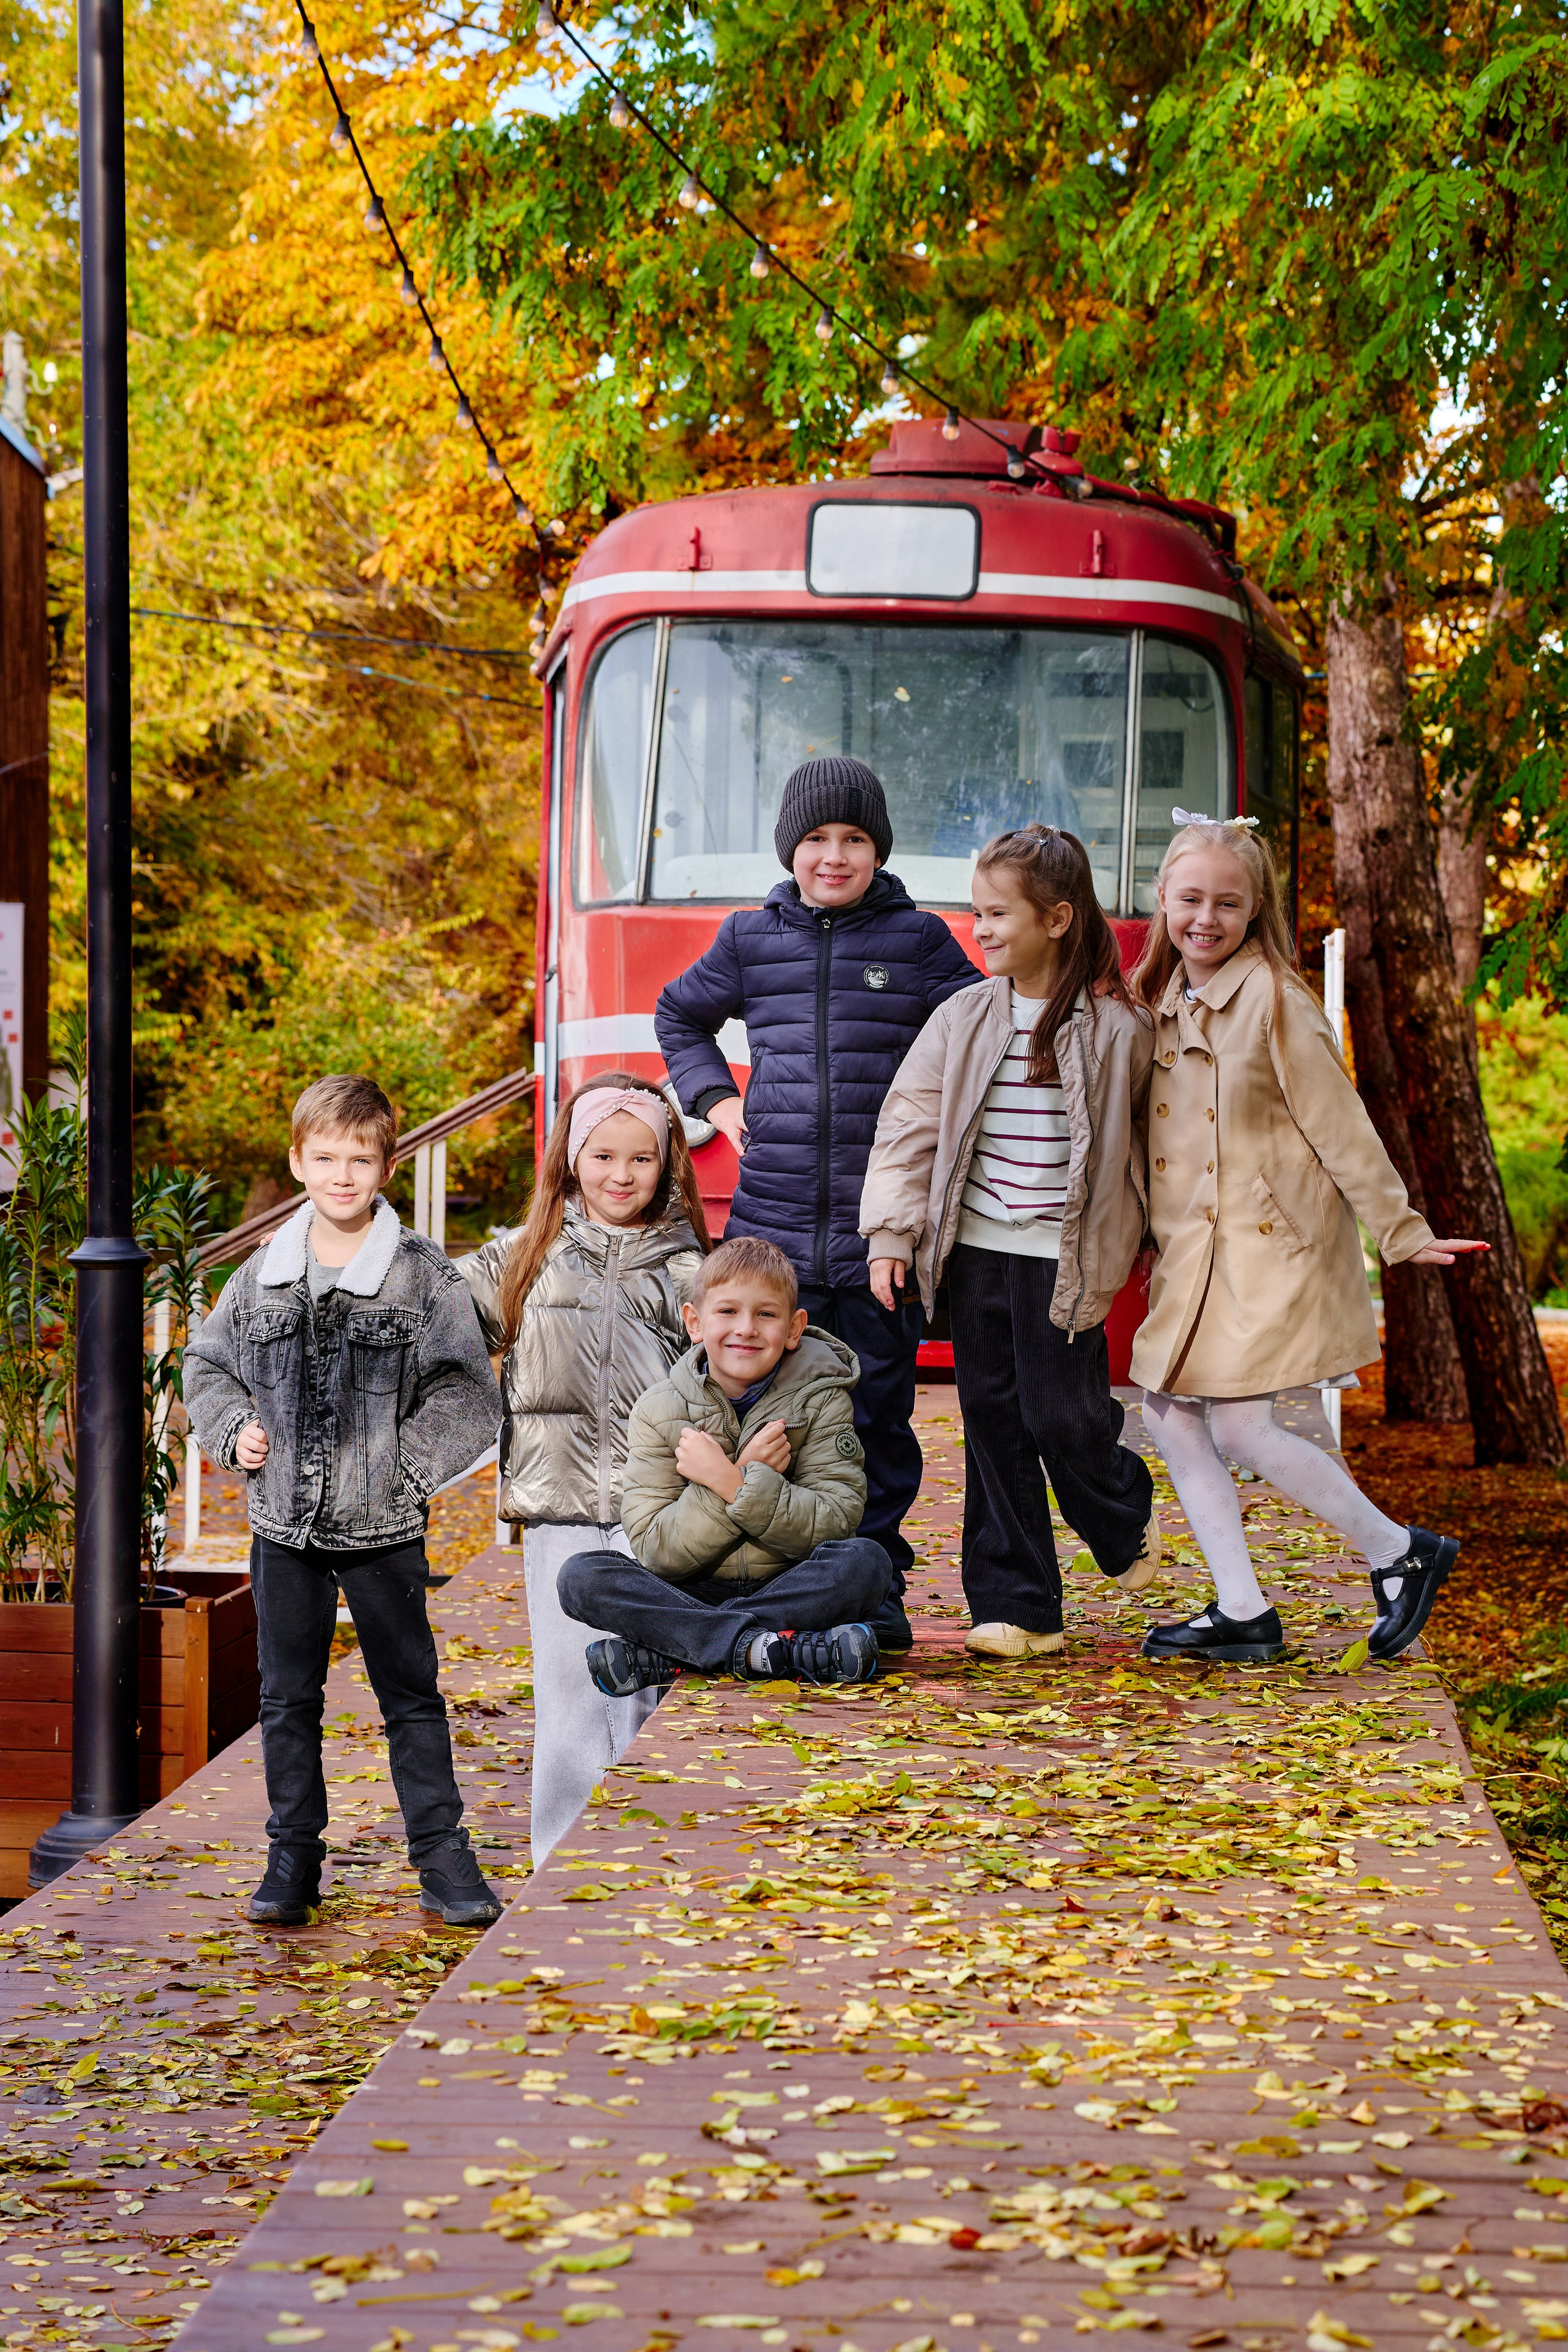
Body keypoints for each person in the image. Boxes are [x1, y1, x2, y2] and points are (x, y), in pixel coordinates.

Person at [1129, 813, 1488, 1665]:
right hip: (1196, 1252)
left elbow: (1343, 1127)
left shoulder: (1275, 998)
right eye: (1190, 900)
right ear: (1164, 900)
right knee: (1171, 1415)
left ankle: (1398, 1550)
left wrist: (1403, 1231)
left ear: (1257, 912)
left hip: (1268, 1244)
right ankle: (1244, 1609)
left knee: (1243, 1428)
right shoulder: (1161, 998)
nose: (1205, 919)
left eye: (1228, 903)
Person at [655, 753, 981, 1653]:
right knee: (774, 1414)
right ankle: (782, 1580)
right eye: (816, 840)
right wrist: (718, 1104)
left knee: (876, 1415)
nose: (833, 857)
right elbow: (679, 1016)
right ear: (789, 849)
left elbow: (980, 1036)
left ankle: (873, 1583)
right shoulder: (749, 938)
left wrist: (935, 1147)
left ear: (878, 851)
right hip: (774, 1233)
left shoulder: (919, 942)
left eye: (854, 840)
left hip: (883, 1234)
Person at [183, 1074, 505, 1928]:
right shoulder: (261, 1277)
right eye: (324, 1157)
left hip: (383, 1526)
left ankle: (442, 1855)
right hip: (283, 1526)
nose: (341, 1175)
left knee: (410, 1692)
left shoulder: (420, 1278)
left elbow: (468, 1394)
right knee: (287, 1697)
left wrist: (404, 1466)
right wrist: (234, 1428)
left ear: (385, 1166)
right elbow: (206, 1368)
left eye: (359, 1159)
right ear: (297, 1161)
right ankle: (294, 1853)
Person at [859, 824, 1159, 1660]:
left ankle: (1121, 1511)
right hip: (978, 1252)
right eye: (977, 913)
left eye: (998, 915)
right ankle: (1018, 1605)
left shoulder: (1118, 1031)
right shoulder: (964, 1017)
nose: (981, 929)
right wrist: (891, 1232)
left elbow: (1153, 1146)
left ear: (1057, 919)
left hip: (1066, 1259)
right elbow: (909, 1127)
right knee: (992, 1418)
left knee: (1062, 1417)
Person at [458, 1072, 709, 1867]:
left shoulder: (688, 1266)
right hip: (561, 1513)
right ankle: (556, 1868)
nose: (621, 1175)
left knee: (640, 1690)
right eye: (603, 1155)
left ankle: (640, 1861)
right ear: (571, 1156)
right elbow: (432, 1320)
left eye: (641, 1158)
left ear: (666, 1164)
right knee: (569, 1697)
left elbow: (734, 1373)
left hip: (655, 1517)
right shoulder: (527, 1255)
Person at [556, 1235, 892, 1691]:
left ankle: (677, 1651)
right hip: (690, 1588)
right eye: (728, 1311)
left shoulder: (823, 1401)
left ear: (794, 1329)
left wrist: (733, 1483)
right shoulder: (659, 1409)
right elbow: (658, 1550)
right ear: (695, 1322)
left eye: (766, 1314)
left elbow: (835, 1522)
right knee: (583, 1577)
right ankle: (777, 1650)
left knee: (865, 1563)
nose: (747, 1329)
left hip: (790, 1583)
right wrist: (727, 1485)